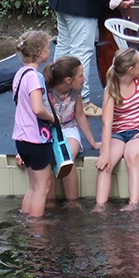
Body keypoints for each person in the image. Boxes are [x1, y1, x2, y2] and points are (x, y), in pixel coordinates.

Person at [95, 47, 139, 209]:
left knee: (133, 156)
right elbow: (107, 123)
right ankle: (100, 207)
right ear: (131, 70)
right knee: (107, 162)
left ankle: (133, 205)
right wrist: (106, 153)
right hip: (117, 133)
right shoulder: (111, 88)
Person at [11, 30, 58, 218]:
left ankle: (26, 219)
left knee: (33, 186)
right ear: (40, 52)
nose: (49, 51)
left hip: (21, 138)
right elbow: (38, 108)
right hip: (36, 139)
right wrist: (52, 118)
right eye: (47, 47)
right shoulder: (35, 77)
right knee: (42, 187)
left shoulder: (20, 74)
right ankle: (37, 228)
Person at [44, 56, 100, 200]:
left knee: (67, 157)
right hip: (47, 131)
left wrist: (93, 142)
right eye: (80, 75)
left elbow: (80, 115)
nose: (84, 78)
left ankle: (72, 203)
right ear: (68, 80)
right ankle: (50, 203)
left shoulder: (76, 90)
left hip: (68, 128)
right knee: (48, 161)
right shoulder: (45, 91)